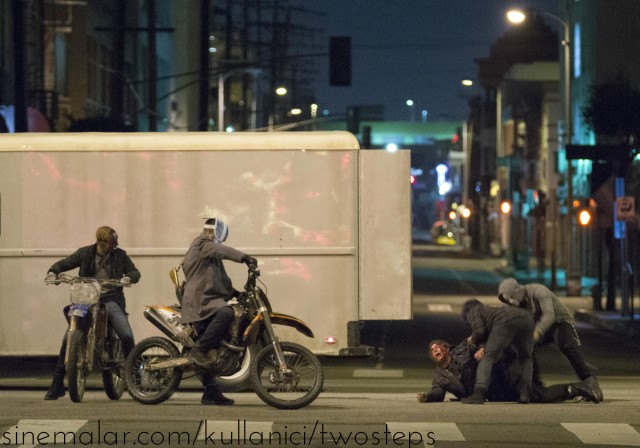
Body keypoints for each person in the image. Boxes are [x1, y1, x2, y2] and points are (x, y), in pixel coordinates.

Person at [44, 226, 141, 400]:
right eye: (110, 243)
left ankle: (136, 380)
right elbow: (65, 263)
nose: (112, 247)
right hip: (86, 301)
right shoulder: (85, 253)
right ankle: (57, 384)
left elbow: (135, 272)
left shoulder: (120, 255)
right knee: (68, 339)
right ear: (102, 242)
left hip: (110, 299)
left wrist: (128, 278)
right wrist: (53, 271)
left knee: (126, 335)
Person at [181, 218, 257, 406]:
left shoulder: (209, 255)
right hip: (199, 303)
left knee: (215, 343)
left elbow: (218, 281)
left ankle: (210, 393)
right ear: (216, 232)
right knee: (226, 313)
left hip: (206, 301)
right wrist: (244, 257)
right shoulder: (202, 244)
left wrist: (236, 293)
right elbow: (221, 250)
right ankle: (199, 351)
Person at [498, 277, 603, 403]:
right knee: (528, 347)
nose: (510, 301)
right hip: (542, 326)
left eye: (510, 297)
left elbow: (549, 314)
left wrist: (537, 332)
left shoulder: (538, 291)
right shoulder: (520, 303)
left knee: (569, 349)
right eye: (507, 299)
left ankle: (590, 381)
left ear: (516, 291)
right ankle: (535, 383)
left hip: (560, 321)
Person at [417, 339, 603, 404]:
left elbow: (483, 345)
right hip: (496, 392)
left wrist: (481, 349)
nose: (436, 351)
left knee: (535, 394)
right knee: (535, 395)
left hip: (502, 375)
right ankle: (581, 388)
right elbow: (438, 393)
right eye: (432, 351)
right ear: (432, 357)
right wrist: (427, 397)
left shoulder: (462, 350)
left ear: (446, 348)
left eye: (438, 347)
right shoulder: (440, 376)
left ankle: (581, 388)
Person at [459, 298, 534, 404]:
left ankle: (479, 393)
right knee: (525, 357)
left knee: (488, 357)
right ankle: (525, 393)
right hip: (526, 317)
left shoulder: (473, 310)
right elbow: (489, 336)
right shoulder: (490, 311)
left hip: (506, 320)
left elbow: (480, 331)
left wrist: (472, 339)